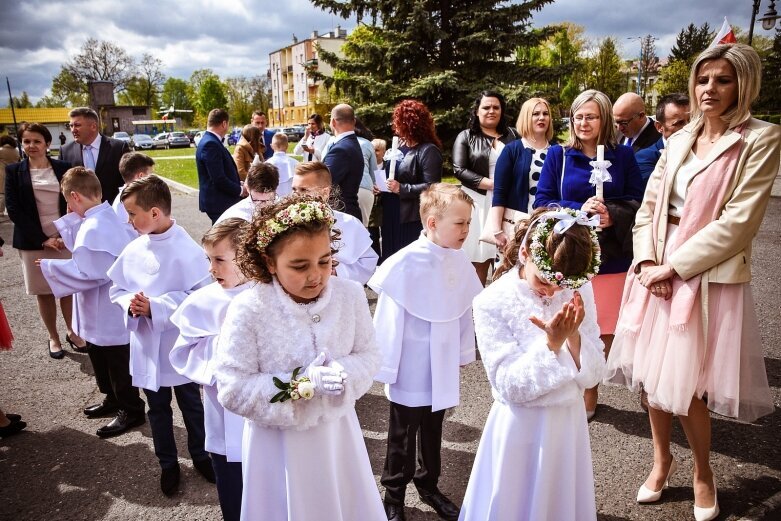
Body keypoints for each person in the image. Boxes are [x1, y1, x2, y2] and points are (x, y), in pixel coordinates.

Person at [606, 44, 779, 521]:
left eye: (723, 80)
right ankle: (662, 460)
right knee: (650, 376)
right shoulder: (678, 139)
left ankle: (703, 472)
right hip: (654, 265)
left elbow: (739, 222)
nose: (710, 89)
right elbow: (648, 206)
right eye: (703, 80)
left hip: (704, 274)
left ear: (742, 84)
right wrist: (644, 262)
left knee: (688, 387)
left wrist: (674, 268)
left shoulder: (760, 139)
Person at [214, 194, 385, 521]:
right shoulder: (248, 309)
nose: (316, 276)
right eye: (299, 265)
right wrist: (299, 385)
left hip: (338, 437)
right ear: (268, 262)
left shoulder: (349, 296)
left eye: (325, 260)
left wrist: (341, 373)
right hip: (277, 446)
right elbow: (232, 387)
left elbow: (369, 354)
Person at [460, 208, 605, 521]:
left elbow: (595, 373)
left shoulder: (577, 288)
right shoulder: (491, 301)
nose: (552, 291)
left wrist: (575, 337)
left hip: (568, 423)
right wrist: (552, 346)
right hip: (520, 427)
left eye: (561, 285)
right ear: (525, 253)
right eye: (544, 280)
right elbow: (509, 386)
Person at [369, 184, 483, 521]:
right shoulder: (405, 263)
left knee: (434, 427)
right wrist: (387, 366)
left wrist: (463, 353)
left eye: (468, 223)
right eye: (459, 224)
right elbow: (388, 319)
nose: (466, 231)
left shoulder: (459, 261)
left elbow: (463, 310)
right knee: (403, 433)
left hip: (443, 360)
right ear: (432, 223)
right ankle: (393, 494)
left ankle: (428, 483)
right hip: (411, 363)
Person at [535, 89, 644, 420]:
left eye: (591, 116)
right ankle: (571, 379)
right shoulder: (558, 156)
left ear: (605, 119)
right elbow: (542, 202)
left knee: (604, 324)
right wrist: (577, 208)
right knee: (572, 317)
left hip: (610, 256)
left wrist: (612, 213)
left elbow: (640, 201)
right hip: (571, 253)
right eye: (578, 116)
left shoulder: (623, 157)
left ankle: (591, 383)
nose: (583, 122)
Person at [108, 175, 215, 496]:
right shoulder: (134, 248)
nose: (128, 221)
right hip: (147, 345)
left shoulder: (187, 249)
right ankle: (167, 463)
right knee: (157, 408)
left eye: (132, 214)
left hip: (177, 345)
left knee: (192, 406)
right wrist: (132, 304)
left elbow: (201, 297)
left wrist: (157, 307)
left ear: (154, 213)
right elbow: (118, 287)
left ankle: (200, 454)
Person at [39, 167, 144, 437]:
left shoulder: (97, 226)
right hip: (99, 305)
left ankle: (131, 409)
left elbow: (92, 273)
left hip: (107, 306)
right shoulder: (103, 216)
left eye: (67, 201)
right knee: (100, 354)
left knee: (116, 360)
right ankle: (112, 398)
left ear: (74, 196)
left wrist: (52, 267)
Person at [170, 218, 253, 521]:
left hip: (261, 414)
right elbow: (183, 351)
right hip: (221, 411)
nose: (211, 268)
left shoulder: (267, 296)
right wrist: (220, 352)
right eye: (209, 259)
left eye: (219, 259)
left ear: (246, 257)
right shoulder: (202, 302)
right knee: (231, 486)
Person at [5, 122, 85, 358]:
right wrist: (43, 239)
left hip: (64, 239)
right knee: (45, 292)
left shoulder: (64, 168)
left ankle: (73, 332)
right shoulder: (13, 171)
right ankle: (54, 337)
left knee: (68, 289)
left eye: (37, 141)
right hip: (33, 242)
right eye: (26, 141)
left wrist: (63, 234)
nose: (31, 145)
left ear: (47, 143)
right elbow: (14, 210)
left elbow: (75, 202)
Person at [453, 90, 519, 285]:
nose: (491, 111)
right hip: (478, 202)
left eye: (496, 107)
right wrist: (492, 184)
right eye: (486, 107)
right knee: (478, 259)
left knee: (508, 259)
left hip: (508, 201)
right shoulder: (466, 136)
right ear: (477, 111)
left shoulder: (513, 135)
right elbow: (459, 169)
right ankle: (474, 308)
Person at [292, 161, 378, 285]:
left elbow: (368, 263)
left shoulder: (350, 224)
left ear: (325, 192)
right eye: (294, 189)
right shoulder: (284, 223)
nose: (297, 195)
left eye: (304, 190)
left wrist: (336, 271)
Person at [382, 100, 444, 261]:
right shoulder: (399, 147)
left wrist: (401, 188)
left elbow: (432, 186)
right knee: (392, 255)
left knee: (407, 258)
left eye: (398, 122)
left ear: (409, 124)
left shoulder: (428, 150)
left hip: (411, 215)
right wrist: (381, 185)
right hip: (392, 210)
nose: (395, 126)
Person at [489, 97, 555, 248]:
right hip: (516, 227)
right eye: (535, 113)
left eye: (545, 114)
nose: (541, 118)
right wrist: (497, 230)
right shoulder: (512, 150)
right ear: (526, 117)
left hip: (548, 227)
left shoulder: (557, 151)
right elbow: (499, 193)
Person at [60, 107, 130, 203]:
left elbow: (129, 182)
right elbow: (64, 186)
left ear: (93, 126)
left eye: (77, 125)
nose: (73, 130)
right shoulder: (66, 151)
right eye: (71, 126)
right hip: (81, 214)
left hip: (113, 211)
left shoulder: (118, 148)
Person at [196, 108, 244, 223]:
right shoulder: (211, 143)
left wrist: (237, 182)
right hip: (219, 202)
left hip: (219, 201)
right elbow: (218, 178)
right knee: (222, 237)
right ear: (224, 123)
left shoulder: (210, 141)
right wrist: (241, 190)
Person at [635, 93, 691, 184]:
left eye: (692, 120)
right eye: (679, 123)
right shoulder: (644, 158)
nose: (689, 127)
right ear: (659, 127)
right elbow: (658, 190)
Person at [323, 104, 364, 221]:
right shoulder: (351, 143)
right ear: (354, 121)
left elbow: (325, 181)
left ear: (333, 122)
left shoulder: (340, 149)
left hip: (341, 214)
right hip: (348, 211)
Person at [115, 152, 155, 226]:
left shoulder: (126, 197)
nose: (152, 179)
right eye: (150, 175)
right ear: (141, 176)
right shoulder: (127, 203)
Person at [354, 118, 379, 226]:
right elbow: (374, 171)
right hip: (364, 188)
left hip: (341, 189)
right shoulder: (367, 143)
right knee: (363, 227)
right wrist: (376, 184)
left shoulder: (334, 141)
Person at [265, 132, 297, 197]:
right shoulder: (295, 163)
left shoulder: (267, 164)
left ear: (271, 146)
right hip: (291, 199)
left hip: (273, 200)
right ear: (287, 146)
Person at [0, 135, 20, 219]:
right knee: (11, 191)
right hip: (14, 172)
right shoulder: (16, 150)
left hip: (1, 172)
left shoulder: (1, 150)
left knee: (1, 192)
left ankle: (0, 211)